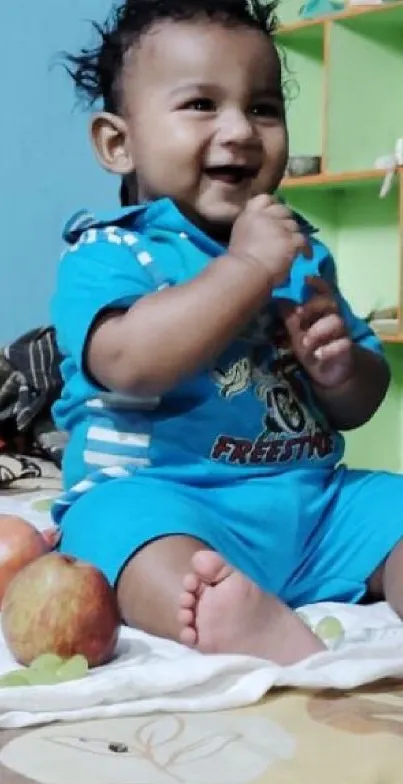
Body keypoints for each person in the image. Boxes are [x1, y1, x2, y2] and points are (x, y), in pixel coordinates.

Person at [52, 0, 403, 665]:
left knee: (392, 500)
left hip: (312, 503)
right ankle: (224, 613)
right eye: (200, 105)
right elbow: (130, 362)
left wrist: (339, 370)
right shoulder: (109, 254)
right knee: (109, 534)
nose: (240, 129)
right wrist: (245, 267)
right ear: (117, 142)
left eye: (263, 108)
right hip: (166, 497)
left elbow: (359, 401)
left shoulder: (297, 250)